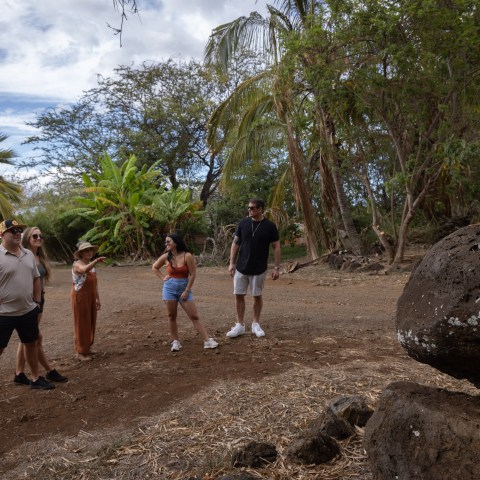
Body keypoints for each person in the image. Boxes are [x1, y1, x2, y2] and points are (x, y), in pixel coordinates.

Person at [0, 219, 54, 389]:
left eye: (19, 230)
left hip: (27, 310)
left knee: (30, 343)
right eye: (12, 230)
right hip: (4, 313)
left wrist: (37, 301)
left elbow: (36, 278)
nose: (17, 233)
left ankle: (36, 378)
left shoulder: (28, 254)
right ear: (2, 234)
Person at [13, 227, 67, 385]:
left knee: (28, 338)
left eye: (40, 236)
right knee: (34, 337)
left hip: (39, 300)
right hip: (29, 302)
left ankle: (19, 373)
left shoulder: (38, 257)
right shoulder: (22, 256)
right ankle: (49, 370)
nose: (38, 238)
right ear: (27, 238)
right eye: (34, 236)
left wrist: (38, 300)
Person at [152, 233, 218, 352]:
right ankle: (175, 341)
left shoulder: (187, 256)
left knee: (194, 315)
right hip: (169, 288)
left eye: (168, 242)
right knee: (171, 316)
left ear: (175, 243)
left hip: (184, 287)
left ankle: (207, 340)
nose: (166, 244)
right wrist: (163, 278)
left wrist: (187, 290)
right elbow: (154, 267)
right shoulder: (166, 257)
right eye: (165, 242)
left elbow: (192, 274)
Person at [226, 198, 281, 338]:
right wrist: (231, 263)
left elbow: (276, 247)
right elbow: (235, 243)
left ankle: (255, 324)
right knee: (239, 295)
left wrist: (276, 268)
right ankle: (240, 325)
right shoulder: (243, 223)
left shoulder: (270, 226)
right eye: (249, 208)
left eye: (252, 208)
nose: (249, 210)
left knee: (257, 296)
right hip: (241, 267)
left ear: (260, 209)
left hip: (259, 268)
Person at [71, 241, 106, 361]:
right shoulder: (77, 264)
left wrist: (97, 299)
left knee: (91, 321)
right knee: (81, 322)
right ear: (80, 253)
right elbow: (84, 270)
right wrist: (96, 261)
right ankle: (80, 352)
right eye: (86, 250)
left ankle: (87, 347)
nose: (89, 252)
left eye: (91, 250)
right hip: (80, 296)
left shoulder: (92, 266)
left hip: (90, 296)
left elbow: (95, 284)